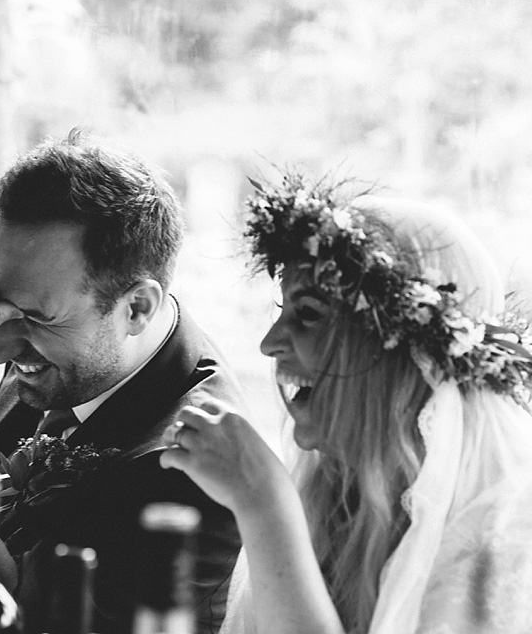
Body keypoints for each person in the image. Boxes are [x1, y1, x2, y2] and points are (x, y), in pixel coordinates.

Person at [160, 171, 532, 634]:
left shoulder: (506, 541)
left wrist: (264, 507)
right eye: (282, 312)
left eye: (309, 314)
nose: (270, 343)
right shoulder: (332, 500)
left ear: (405, 355)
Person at [0, 129, 248, 634]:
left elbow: (12, 624)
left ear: (136, 307)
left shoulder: (190, 469)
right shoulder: (64, 345)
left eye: (32, 316)